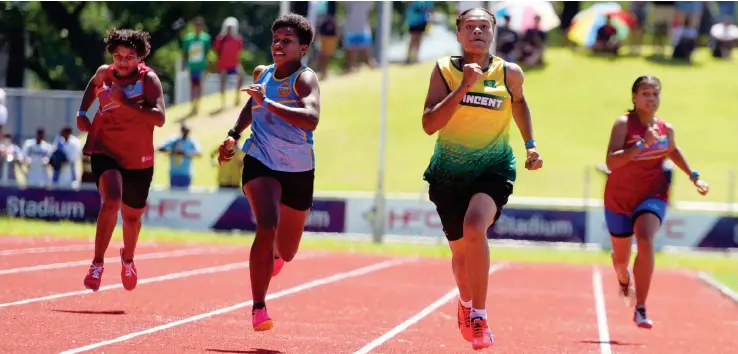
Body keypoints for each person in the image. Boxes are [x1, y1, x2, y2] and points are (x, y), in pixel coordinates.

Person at [421, 8, 542, 350]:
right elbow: (430, 125)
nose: (477, 31)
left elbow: (519, 105)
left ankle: (480, 316)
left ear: (493, 33)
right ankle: (465, 302)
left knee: (476, 227)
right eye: (470, 26)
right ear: (459, 34)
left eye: (483, 26)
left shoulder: (510, 73)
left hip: (493, 167)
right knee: (460, 257)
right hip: (448, 173)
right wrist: (464, 87)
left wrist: (531, 146)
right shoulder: (444, 70)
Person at [217, 13, 319, 332]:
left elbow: (312, 118)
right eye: (276, 40)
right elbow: (252, 106)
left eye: (286, 41)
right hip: (260, 158)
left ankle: (275, 256)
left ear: (302, 48)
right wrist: (233, 134)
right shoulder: (263, 74)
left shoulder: (304, 79)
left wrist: (269, 104)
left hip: (299, 168)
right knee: (267, 223)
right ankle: (258, 306)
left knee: (287, 250)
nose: (278, 45)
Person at [603, 75, 709, 329]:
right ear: (634, 97)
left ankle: (640, 306)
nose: (651, 98)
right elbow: (611, 162)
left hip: (653, 193)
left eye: (655, 94)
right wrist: (640, 146)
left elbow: (673, 150)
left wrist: (694, 176)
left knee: (646, 237)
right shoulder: (623, 124)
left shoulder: (666, 129)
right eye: (646, 93)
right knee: (621, 259)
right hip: (619, 198)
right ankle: (623, 278)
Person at [76, 28, 166, 292]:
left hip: (138, 158)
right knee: (112, 200)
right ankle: (97, 263)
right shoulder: (105, 73)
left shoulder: (149, 80)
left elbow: (160, 118)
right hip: (104, 148)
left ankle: (128, 259)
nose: (123, 61)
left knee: (131, 218)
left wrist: (125, 102)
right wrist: (83, 113)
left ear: (140, 57)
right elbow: (92, 86)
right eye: (118, 56)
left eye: (129, 57)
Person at [181, 16, 212, 117]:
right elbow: (185, 52)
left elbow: (207, 52)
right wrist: (184, 64)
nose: (198, 27)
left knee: (199, 85)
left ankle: (197, 104)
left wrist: (207, 66)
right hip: (192, 65)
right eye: (196, 25)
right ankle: (192, 104)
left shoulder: (205, 38)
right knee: (192, 85)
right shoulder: (188, 38)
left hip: (201, 65)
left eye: (200, 25)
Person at [213, 17, 245, 111]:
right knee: (223, 82)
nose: (229, 29)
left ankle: (237, 97)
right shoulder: (220, 39)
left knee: (241, 76)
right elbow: (217, 50)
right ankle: (223, 102)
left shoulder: (238, 39)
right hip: (223, 64)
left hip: (234, 63)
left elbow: (239, 51)